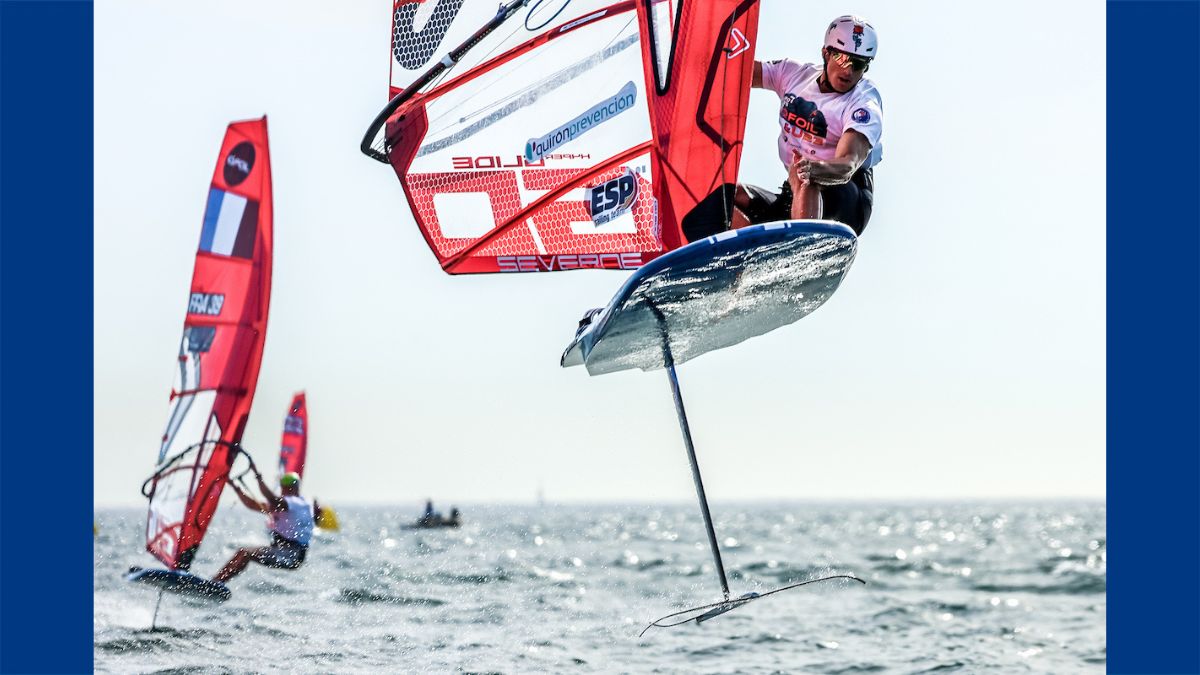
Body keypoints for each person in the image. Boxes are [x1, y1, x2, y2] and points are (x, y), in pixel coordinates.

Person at [723, 15, 883, 238]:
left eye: (859, 65)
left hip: (846, 200)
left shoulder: (863, 101)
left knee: (805, 175)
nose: (849, 72)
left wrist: (811, 169)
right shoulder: (794, 75)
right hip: (798, 195)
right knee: (726, 195)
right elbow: (734, 73)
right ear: (826, 53)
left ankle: (801, 249)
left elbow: (848, 164)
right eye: (844, 60)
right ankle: (745, 262)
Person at [212, 470, 313, 584]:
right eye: (283, 487)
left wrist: (259, 479)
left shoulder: (298, 503)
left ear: (294, 488)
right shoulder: (284, 506)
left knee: (246, 553)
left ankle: (216, 583)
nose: (284, 490)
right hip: (281, 551)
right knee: (243, 552)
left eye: (287, 487)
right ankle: (216, 582)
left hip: (293, 555)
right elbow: (252, 504)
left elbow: (273, 499)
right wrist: (236, 488)